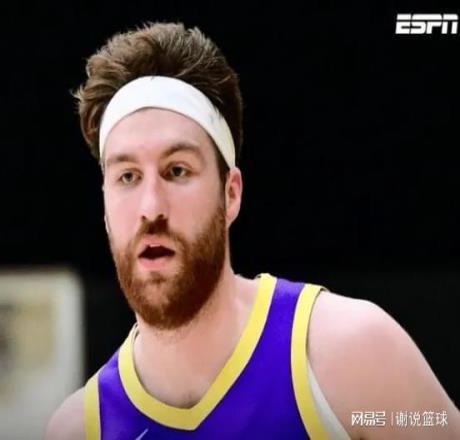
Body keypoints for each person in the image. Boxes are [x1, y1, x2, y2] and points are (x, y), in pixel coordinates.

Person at [45, 22, 460, 439]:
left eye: (177, 170)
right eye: (128, 177)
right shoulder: (79, 429)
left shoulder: (352, 352)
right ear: (104, 208)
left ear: (230, 194)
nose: (151, 208)